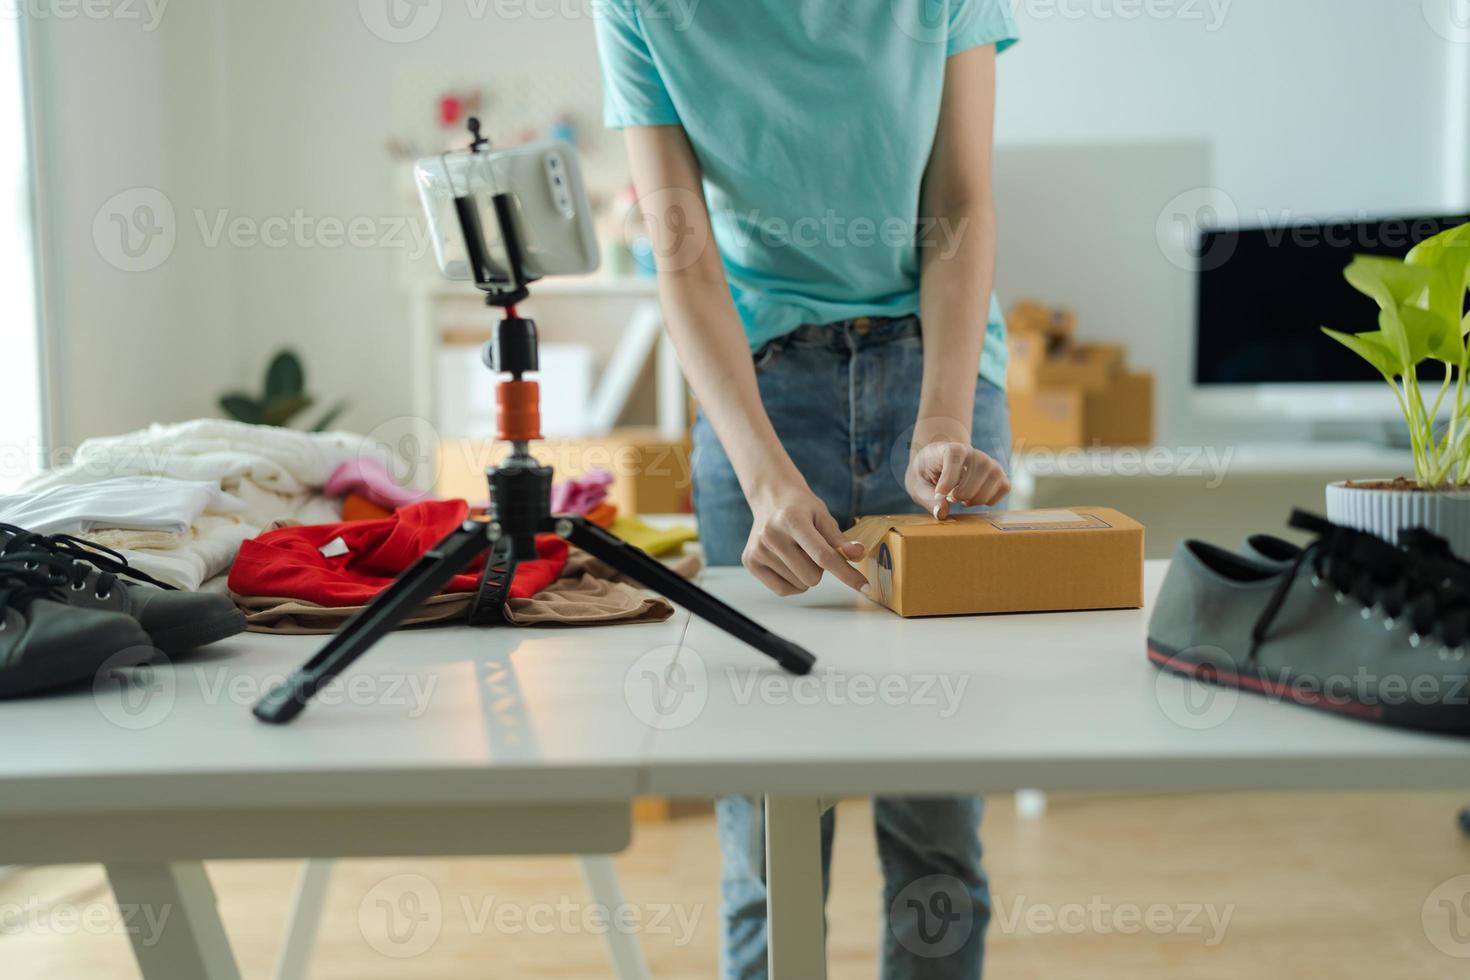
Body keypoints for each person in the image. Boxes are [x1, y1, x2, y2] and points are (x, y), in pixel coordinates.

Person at [594, 2, 1018, 976]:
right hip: (760, 387)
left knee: (937, 833)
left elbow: (959, 203)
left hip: (939, 365)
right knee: (766, 842)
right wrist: (762, 472)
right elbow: (683, 245)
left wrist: (945, 423)